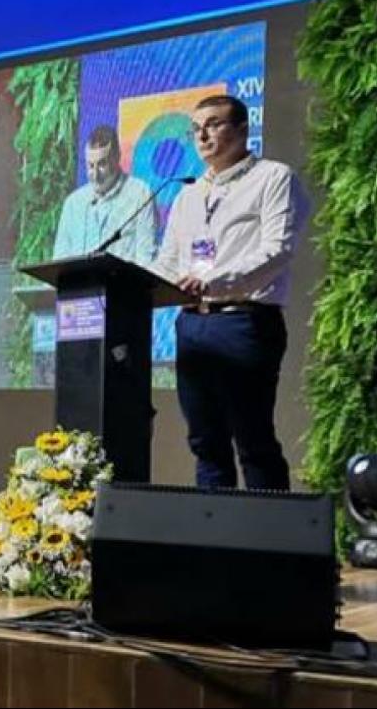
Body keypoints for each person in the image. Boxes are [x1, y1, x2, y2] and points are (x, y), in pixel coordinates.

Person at [155, 95, 309, 491]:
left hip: (244, 322)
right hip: (192, 326)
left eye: (213, 124)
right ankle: (214, 544)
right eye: (195, 129)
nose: (202, 135)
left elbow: (277, 249)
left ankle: (270, 548)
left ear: (242, 129)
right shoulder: (187, 194)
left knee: (253, 441)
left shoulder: (273, 177)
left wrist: (214, 281)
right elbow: (169, 259)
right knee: (206, 444)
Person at [52, 125, 156, 266]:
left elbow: (146, 260)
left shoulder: (140, 194)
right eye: (90, 166)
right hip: (81, 286)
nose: (95, 175)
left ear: (117, 157)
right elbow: (60, 262)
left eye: (102, 164)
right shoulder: (73, 204)